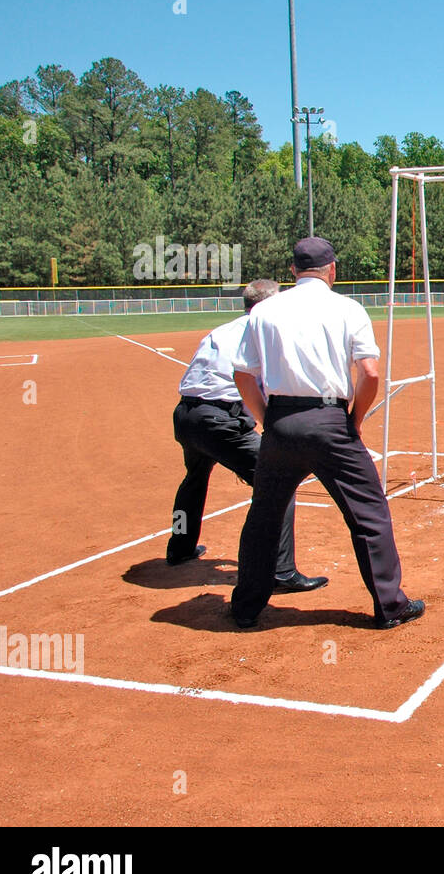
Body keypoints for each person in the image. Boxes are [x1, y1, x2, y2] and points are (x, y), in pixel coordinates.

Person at [228, 237, 423, 629]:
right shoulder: (347, 308)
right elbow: (369, 373)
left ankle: (246, 607)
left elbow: (242, 375)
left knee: (264, 517)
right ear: (332, 269)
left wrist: (269, 420)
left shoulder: (264, 311)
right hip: (330, 419)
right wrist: (355, 421)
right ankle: (390, 606)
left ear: (293, 271)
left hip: (282, 421)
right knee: (368, 513)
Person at [165, 279, 327, 594]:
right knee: (278, 481)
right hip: (219, 420)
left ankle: (180, 546)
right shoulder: (264, 333)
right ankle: (280, 570)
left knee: (194, 479)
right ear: (269, 306)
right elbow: (264, 387)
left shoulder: (222, 330)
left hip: (186, 416)